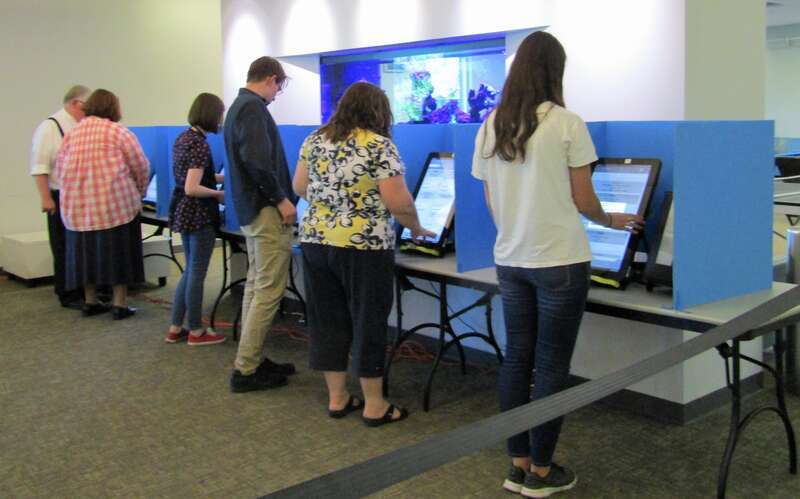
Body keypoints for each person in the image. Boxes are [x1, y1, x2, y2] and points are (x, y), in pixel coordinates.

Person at [471, 32, 643, 497]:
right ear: (556, 71)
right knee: (549, 366)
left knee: (516, 360)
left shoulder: (492, 125)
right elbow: (583, 199)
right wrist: (611, 219)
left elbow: (490, 200)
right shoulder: (567, 123)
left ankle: (518, 464)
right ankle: (542, 473)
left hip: (511, 260)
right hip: (561, 262)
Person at [293, 82, 435, 426]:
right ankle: (374, 404)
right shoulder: (379, 146)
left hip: (315, 241)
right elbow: (398, 201)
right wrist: (415, 227)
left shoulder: (315, 139)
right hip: (363, 247)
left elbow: (298, 187)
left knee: (328, 321)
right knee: (367, 321)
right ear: (379, 112)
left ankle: (338, 398)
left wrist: (332, 207)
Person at [224, 56, 298, 392]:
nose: (277, 94)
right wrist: (282, 199)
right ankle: (247, 369)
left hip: (249, 210)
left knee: (256, 286)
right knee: (268, 290)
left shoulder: (238, 106)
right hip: (266, 209)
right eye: (279, 87)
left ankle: (249, 357)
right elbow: (257, 161)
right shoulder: (253, 109)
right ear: (271, 79)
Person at [55, 89, 150, 320]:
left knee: (86, 258)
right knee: (119, 255)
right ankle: (119, 304)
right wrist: (140, 192)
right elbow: (140, 166)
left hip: (77, 210)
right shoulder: (118, 132)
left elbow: (59, 170)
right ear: (113, 108)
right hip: (114, 206)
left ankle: (90, 301)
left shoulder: (72, 133)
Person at [165, 93, 227, 346]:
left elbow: (196, 176)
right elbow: (193, 187)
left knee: (189, 271)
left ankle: (175, 327)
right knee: (198, 274)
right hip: (199, 214)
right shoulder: (200, 144)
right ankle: (196, 331)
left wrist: (227, 178)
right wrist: (220, 195)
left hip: (182, 211)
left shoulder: (184, 138)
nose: (221, 119)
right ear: (211, 114)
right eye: (220, 114)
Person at [30, 85, 90, 309]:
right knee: (64, 245)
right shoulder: (50, 127)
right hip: (59, 195)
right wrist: (46, 199)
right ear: (75, 103)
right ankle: (68, 293)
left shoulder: (81, 125)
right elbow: (40, 167)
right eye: (87, 106)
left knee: (80, 246)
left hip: (81, 196)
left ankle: (86, 289)